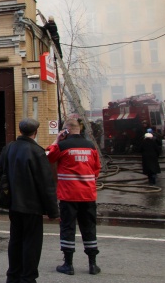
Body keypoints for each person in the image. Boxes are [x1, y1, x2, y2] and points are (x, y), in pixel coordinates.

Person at [0, 118, 59, 283]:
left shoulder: (9, 148)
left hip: (14, 205)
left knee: (15, 240)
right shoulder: (37, 152)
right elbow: (46, 184)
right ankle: (28, 278)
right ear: (35, 132)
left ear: (20, 131)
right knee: (32, 243)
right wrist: (53, 211)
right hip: (32, 207)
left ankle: (13, 276)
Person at [47, 117, 102, 276]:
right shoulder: (91, 146)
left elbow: (49, 157)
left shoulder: (62, 146)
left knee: (67, 227)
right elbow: (96, 169)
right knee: (89, 227)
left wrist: (57, 140)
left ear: (66, 130)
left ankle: (68, 264)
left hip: (68, 195)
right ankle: (92, 264)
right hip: (88, 195)